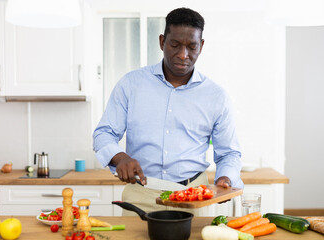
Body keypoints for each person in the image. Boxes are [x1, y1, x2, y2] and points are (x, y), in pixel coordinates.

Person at [93, 7, 243, 216]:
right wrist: (120, 157)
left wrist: (225, 179)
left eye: (192, 46)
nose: (183, 55)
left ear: (201, 46)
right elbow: (104, 133)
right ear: (162, 41)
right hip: (140, 195)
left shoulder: (216, 96)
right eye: (175, 45)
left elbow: (229, 153)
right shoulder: (131, 84)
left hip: (193, 196)